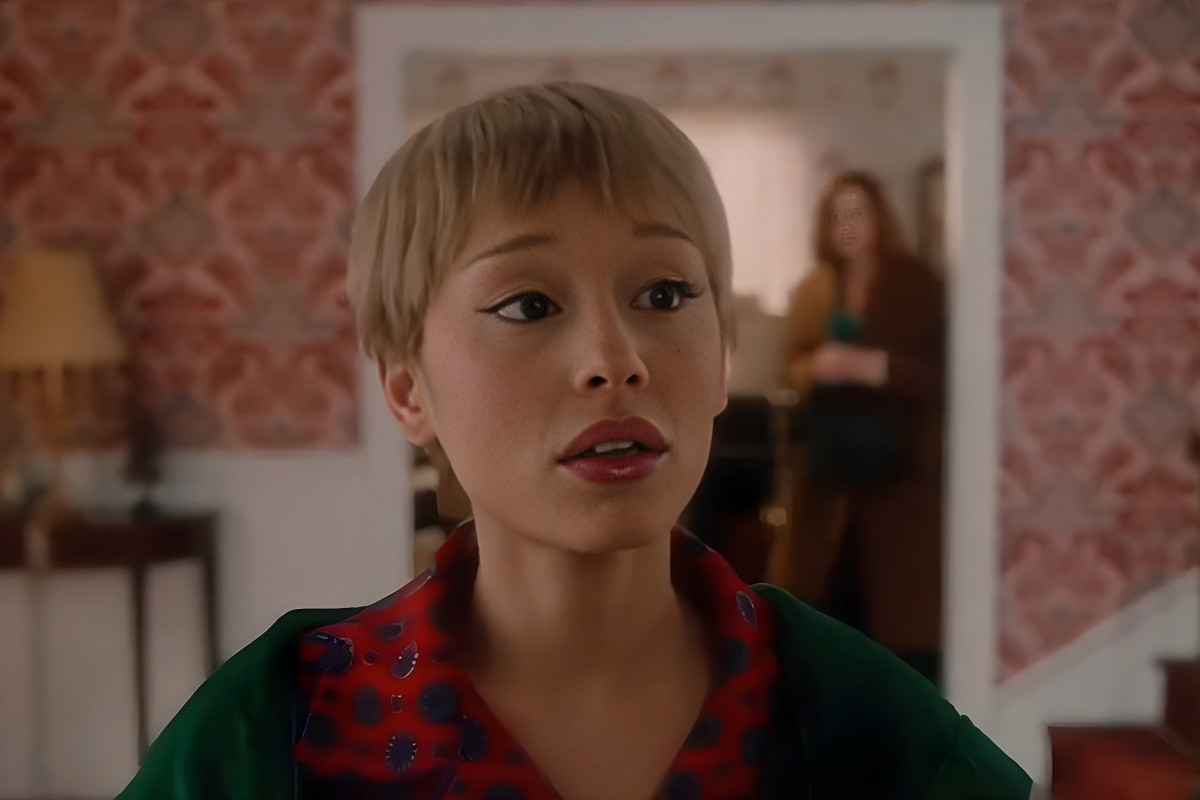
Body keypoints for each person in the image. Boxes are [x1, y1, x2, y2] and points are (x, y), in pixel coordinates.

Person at [117, 85, 1027, 799]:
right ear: (407, 390)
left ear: (721, 359)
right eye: (528, 305)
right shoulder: (276, 729)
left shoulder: (862, 721)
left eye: (664, 295)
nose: (615, 361)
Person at [772, 171, 946, 686]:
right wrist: (816, 368)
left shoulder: (916, 285)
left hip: (898, 473)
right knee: (822, 603)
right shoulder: (813, 289)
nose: (848, 226)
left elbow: (940, 373)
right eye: (837, 216)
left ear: (879, 219)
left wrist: (878, 368)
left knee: (895, 613)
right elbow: (789, 369)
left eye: (858, 213)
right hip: (826, 474)